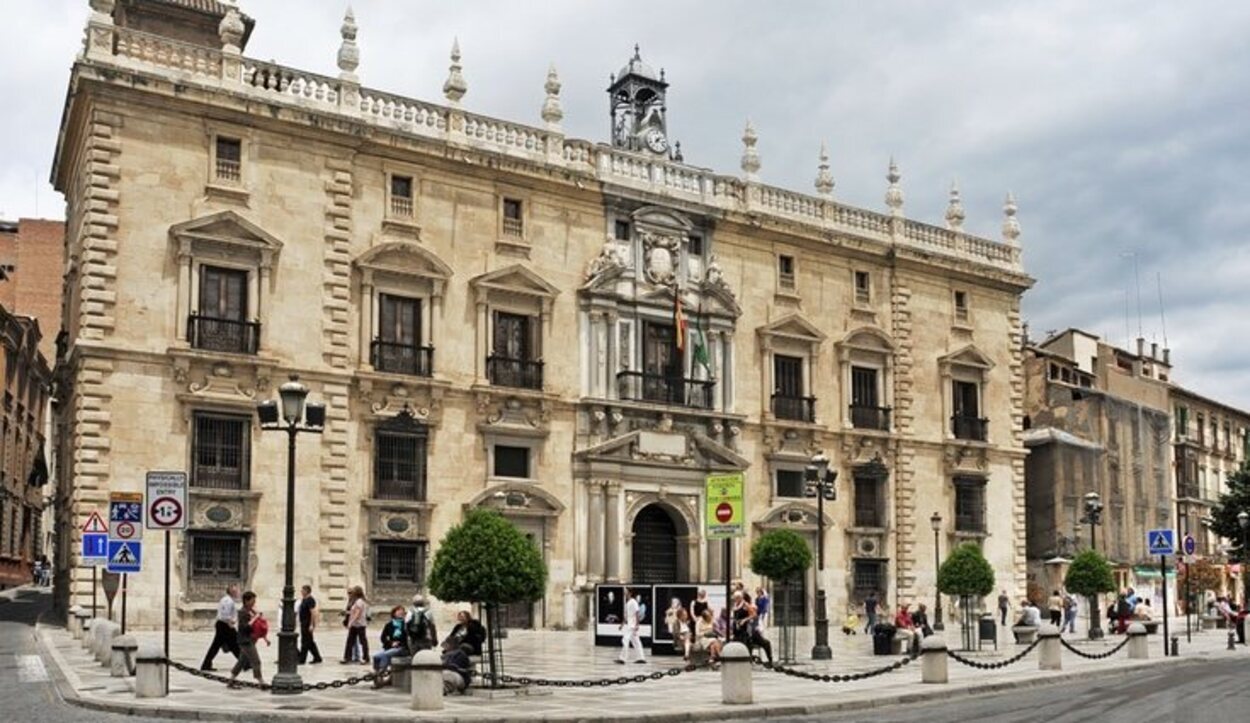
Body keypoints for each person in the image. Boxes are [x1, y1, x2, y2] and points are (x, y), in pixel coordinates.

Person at [200, 584, 242, 671]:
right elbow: (225, 615)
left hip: (222, 625)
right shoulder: (228, 601)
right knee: (234, 644)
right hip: (225, 625)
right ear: (232, 592)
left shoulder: (225, 599)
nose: (238, 592)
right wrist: (230, 622)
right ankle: (245, 663)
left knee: (223, 645)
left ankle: (206, 664)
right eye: (236, 590)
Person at [229, 591, 266, 687]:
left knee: (242, 661)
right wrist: (254, 618)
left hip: (250, 639)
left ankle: (231, 680)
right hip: (245, 640)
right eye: (253, 600)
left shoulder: (250, 611)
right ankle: (261, 681)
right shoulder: (243, 612)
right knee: (256, 661)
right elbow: (244, 627)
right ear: (246, 601)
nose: (254, 602)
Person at [370, 605, 411, 684]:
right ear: (394, 613)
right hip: (390, 647)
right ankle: (377, 674)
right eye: (398, 611)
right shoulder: (389, 625)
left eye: (402, 611)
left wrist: (398, 643)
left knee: (386, 655)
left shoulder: (406, 625)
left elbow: (408, 638)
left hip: (402, 648)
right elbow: (383, 638)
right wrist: (391, 643)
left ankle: (381, 674)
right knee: (376, 656)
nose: (400, 613)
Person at [618, 587, 646, 664]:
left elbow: (637, 613)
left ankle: (623, 658)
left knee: (625, 639)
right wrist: (622, 624)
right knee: (636, 641)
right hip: (630, 624)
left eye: (626, 592)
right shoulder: (627, 602)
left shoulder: (633, 602)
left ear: (630, 593)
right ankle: (641, 657)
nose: (624, 593)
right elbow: (626, 615)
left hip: (632, 625)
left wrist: (637, 624)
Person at [341, 585, 369, 664]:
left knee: (362, 641)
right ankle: (347, 657)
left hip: (359, 624)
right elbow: (354, 612)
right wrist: (347, 612)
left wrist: (350, 622)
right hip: (357, 624)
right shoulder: (358, 601)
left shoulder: (359, 602)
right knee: (351, 641)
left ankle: (365, 658)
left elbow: (357, 614)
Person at [297, 584, 322, 665]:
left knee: (305, 642)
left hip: (307, 623)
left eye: (302, 590)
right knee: (309, 642)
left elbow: (313, 613)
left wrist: (311, 624)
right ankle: (317, 657)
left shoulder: (310, 600)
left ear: (306, 591)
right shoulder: (304, 599)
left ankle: (302, 659)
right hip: (303, 623)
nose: (301, 591)